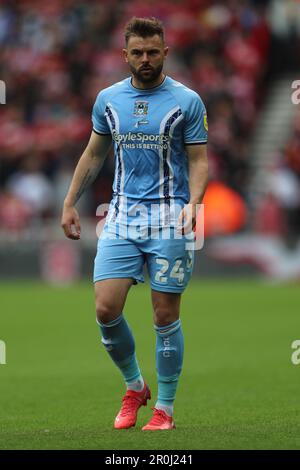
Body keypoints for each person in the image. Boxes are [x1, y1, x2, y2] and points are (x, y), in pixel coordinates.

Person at [61, 17, 208, 431]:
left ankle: (165, 408)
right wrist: (70, 202)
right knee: (106, 309)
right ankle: (134, 386)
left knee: (164, 315)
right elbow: (93, 155)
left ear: (166, 52)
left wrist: (195, 203)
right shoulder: (108, 99)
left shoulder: (187, 101)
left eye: (153, 52)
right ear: (125, 55)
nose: (146, 59)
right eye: (138, 53)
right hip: (121, 216)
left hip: (170, 219)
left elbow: (198, 159)